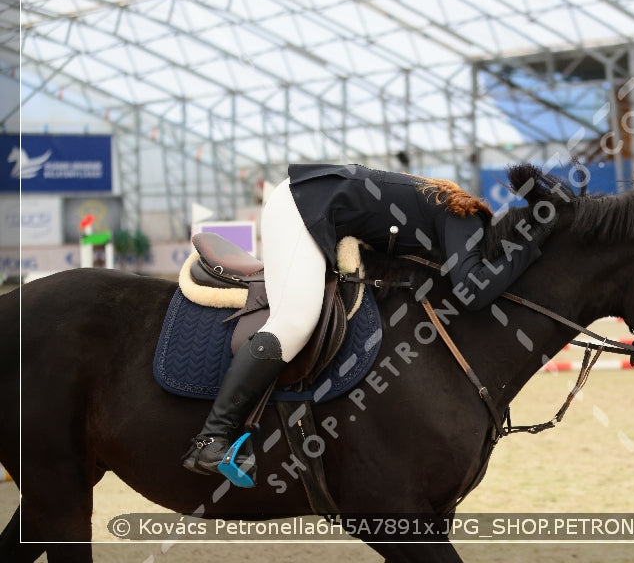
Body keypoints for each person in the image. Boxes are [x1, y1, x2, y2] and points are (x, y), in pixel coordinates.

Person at [182, 163, 554, 480]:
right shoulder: (468, 217)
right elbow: (472, 290)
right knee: (294, 322)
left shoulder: (448, 212)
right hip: (303, 204)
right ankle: (210, 439)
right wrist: (533, 247)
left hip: (316, 200)